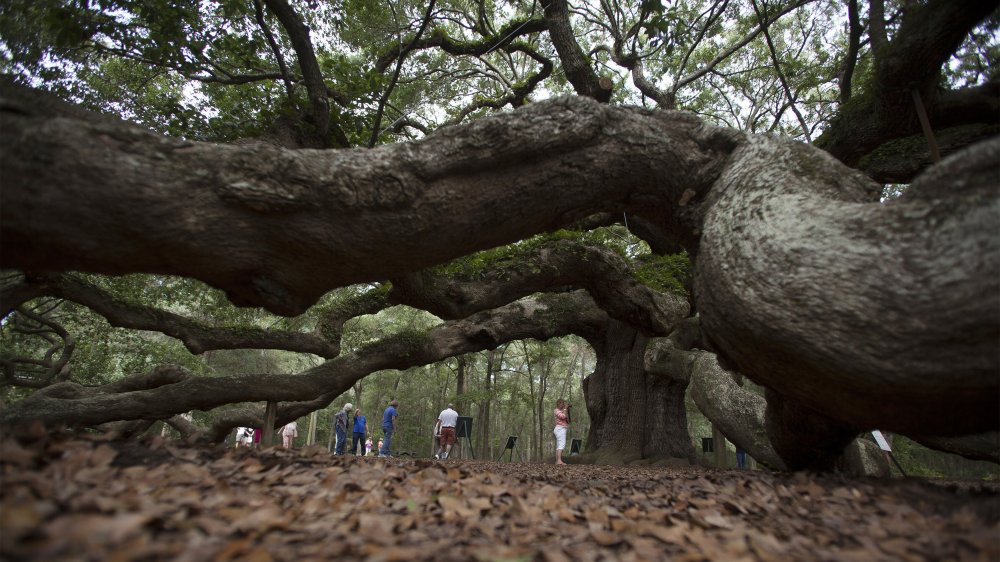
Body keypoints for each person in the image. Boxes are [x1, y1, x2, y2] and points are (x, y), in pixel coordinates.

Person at [553, 399, 571, 465]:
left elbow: (568, 420)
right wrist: (565, 410)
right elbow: (563, 417)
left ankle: (557, 460)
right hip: (559, 428)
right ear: (557, 404)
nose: (562, 405)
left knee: (559, 445)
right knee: (561, 444)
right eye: (561, 403)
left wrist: (567, 410)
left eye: (563, 403)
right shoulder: (556, 410)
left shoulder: (562, 411)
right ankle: (559, 461)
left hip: (561, 429)